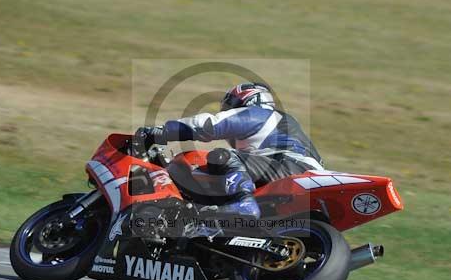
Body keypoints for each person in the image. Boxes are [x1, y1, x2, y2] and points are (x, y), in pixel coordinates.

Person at [135, 82, 323, 234]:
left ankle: (244, 205)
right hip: (303, 181)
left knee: (221, 156)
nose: (227, 111)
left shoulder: (262, 114)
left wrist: (160, 132)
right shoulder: (281, 131)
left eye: (230, 106)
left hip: (290, 168)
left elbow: (207, 125)